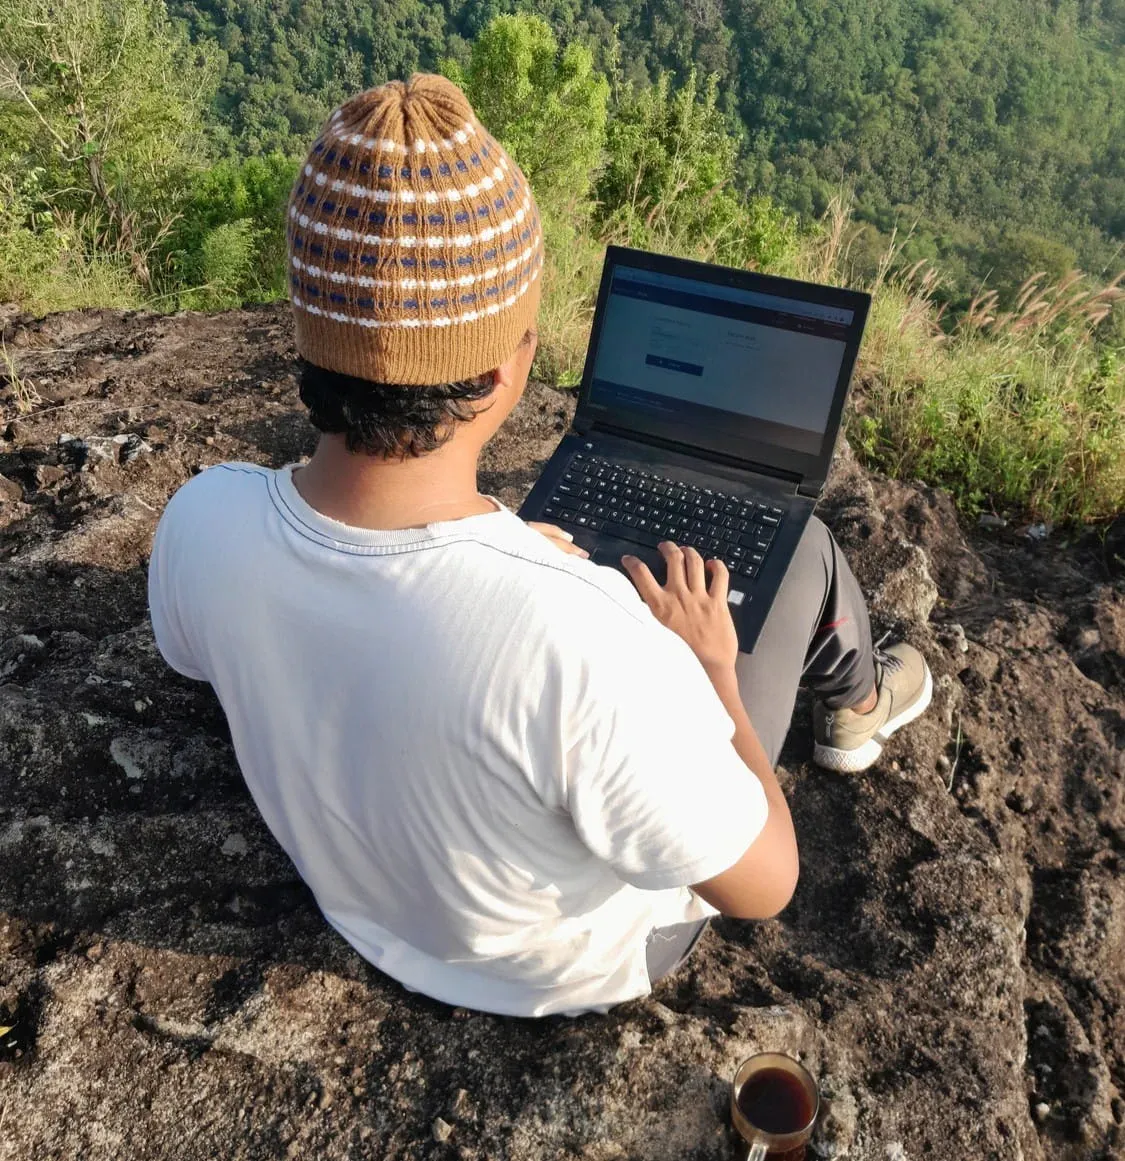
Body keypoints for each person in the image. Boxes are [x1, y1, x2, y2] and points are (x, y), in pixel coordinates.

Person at [147, 75, 932, 1018]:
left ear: (307, 334)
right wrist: (708, 668)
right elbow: (765, 886)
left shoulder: (202, 520)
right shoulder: (583, 644)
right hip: (578, 963)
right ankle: (859, 707)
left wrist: (504, 565)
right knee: (802, 551)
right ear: (501, 369)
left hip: (358, 907)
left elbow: (218, 653)